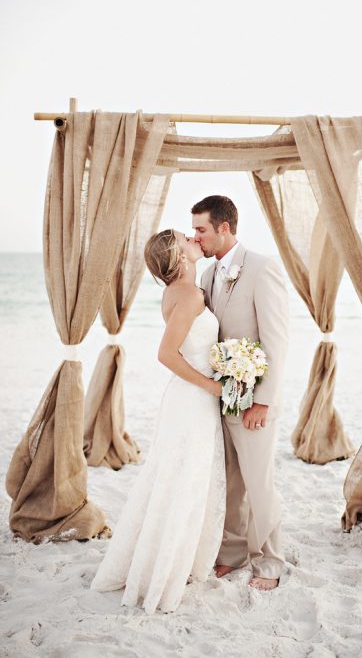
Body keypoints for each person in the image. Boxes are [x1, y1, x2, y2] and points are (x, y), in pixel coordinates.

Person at [90, 229, 226, 613]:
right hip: (192, 399)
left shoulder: (181, 291)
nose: (193, 238)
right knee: (185, 479)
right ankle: (168, 566)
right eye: (187, 238)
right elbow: (166, 354)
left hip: (187, 398)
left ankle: (173, 557)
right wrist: (214, 388)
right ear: (177, 254)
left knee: (176, 477)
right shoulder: (189, 294)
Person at [192, 195, 289, 591]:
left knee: (257, 480)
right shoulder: (206, 276)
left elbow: (276, 341)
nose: (195, 237)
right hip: (221, 397)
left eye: (201, 229)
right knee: (231, 480)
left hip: (254, 401)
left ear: (224, 228)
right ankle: (232, 554)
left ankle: (270, 561)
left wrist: (263, 400)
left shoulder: (263, 269)